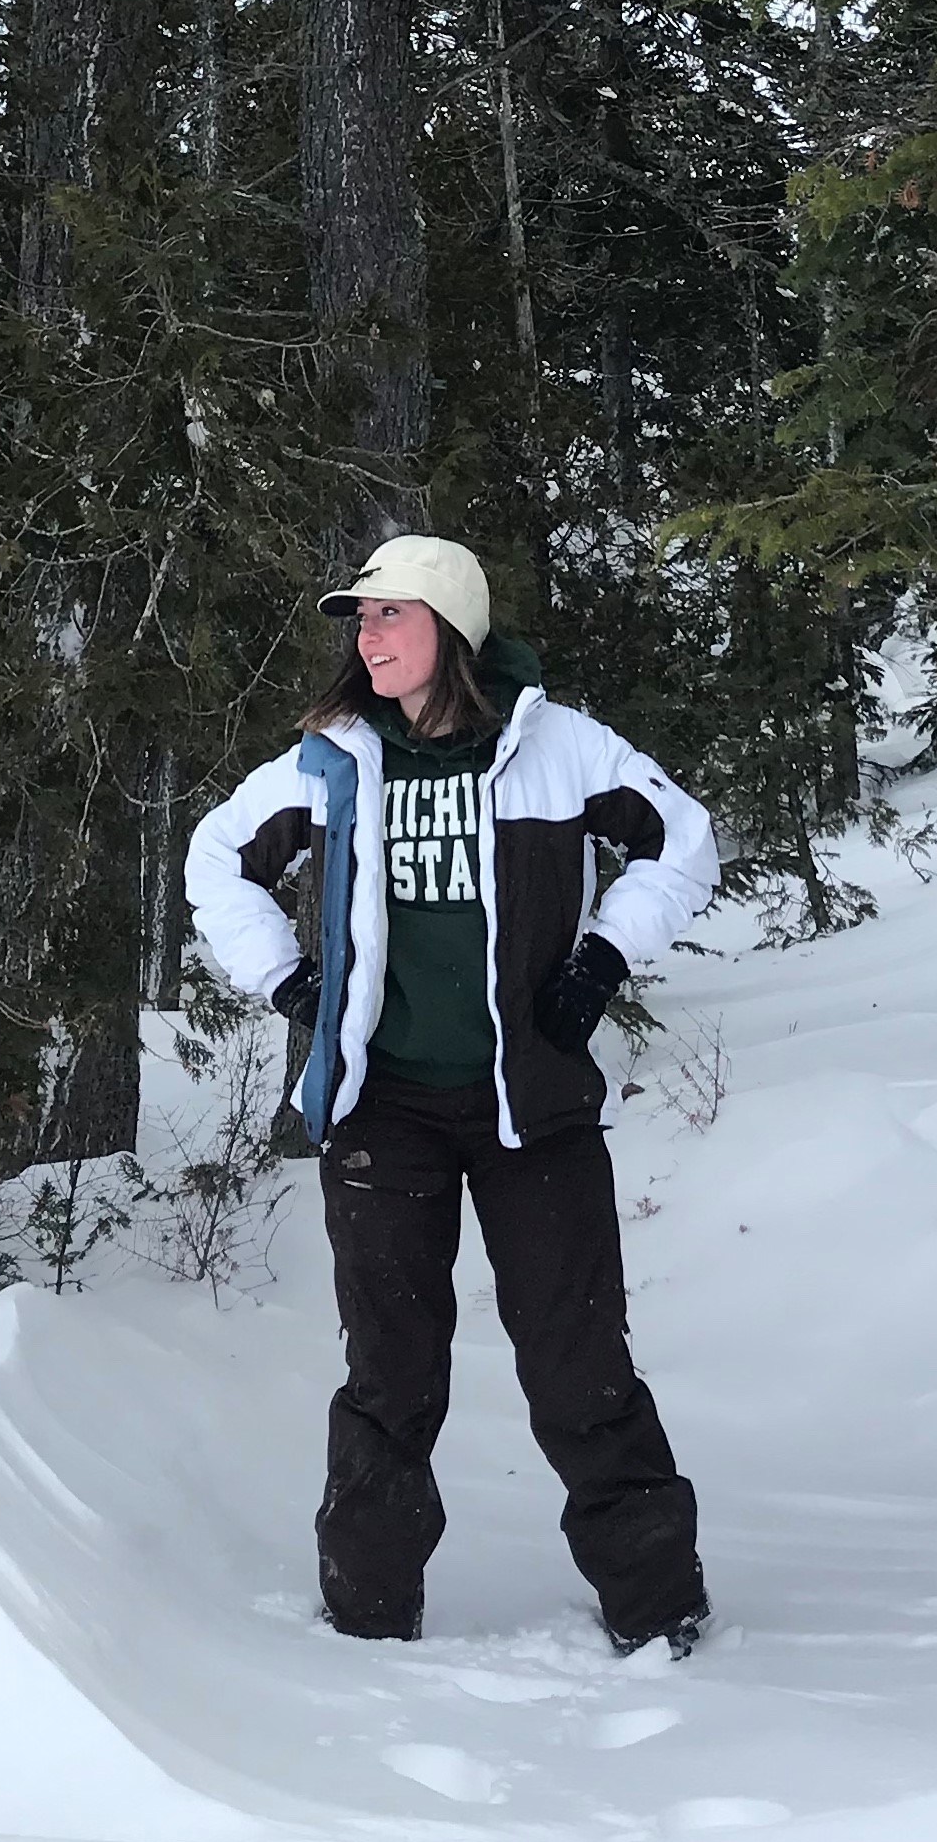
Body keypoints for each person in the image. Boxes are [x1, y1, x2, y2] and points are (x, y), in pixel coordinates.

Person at [185, 534, 719, 1658]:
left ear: (450, 629)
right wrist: (289, 978)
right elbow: (215, 856)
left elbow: (682, 840)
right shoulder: (329, 761)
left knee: (579, 1361)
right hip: (385, 1108)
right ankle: (367, 1618)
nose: (366, 636)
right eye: (359, 620)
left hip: (534, 1108)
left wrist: (601, 960)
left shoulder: (558, 748)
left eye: (388, 615)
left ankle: (658, 1611)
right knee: (390, 1366)